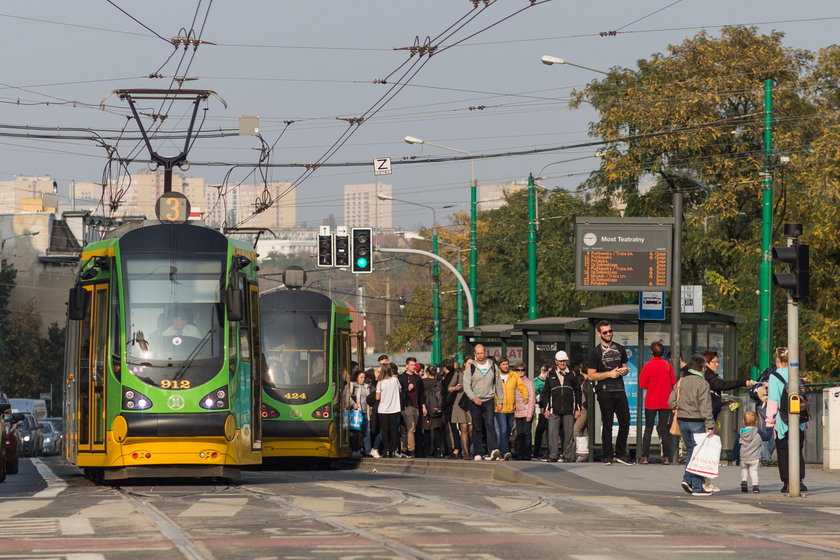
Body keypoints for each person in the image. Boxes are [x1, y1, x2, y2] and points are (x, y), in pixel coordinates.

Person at [669, 353, 715, 496]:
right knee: (698, 453)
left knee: (691, 450)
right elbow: (705, 407)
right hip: (697, 421)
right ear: (702, 369)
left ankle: (687, 479)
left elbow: (670, 401)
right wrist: (710, 425)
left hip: (682, 420)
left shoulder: (681, 381)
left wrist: (679, 407)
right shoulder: (703, 384)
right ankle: (696, 487)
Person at [587, 321, 632, 465]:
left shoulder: (619, 348)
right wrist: (609, 374)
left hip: (620, 389)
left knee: (625, 421)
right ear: (599, 334)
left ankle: (620, 453)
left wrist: (623, 371)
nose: (608, 334)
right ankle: (607, 455)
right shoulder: (595, 352)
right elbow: (591, 375)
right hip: (605, 391)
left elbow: (624, 366)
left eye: (610, 331)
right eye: (605, 332)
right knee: (607, 424)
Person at [766, 347, 807, 494]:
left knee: (783, 451)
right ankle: (800, 480)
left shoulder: (774, 376)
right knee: (797, 450)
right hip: (799, 421)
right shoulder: (796, 375)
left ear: (778, 360)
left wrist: (769, 421)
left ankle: (787, 482)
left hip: (782, 422)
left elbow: (773, 401)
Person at [463, 344, 504, 461]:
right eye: (478, 353)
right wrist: (473, 397)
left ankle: (493, 451)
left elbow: (498, 384)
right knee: (477, 427)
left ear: (485, 352)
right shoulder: (471, 368)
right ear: (475, 354)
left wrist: (500, 400)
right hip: (475, 400)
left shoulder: (493, 366)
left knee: (490, 425)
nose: (480, 355)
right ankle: (478, 452)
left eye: (482, 353)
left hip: (489, 399)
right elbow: (466, 386)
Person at [638, 341, 677, 465]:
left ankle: (644, 456)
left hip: (651, 401)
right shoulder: (667, 365)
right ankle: (666, 457)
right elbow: (673, 382)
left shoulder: (648, 365)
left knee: (648, 429)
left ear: (651, 352)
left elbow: (642, 384)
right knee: (664, 429)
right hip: (665, 401)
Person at [541, 351, 582, 463]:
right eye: (560, 361)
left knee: (568, 433)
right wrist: (546, 408)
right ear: (556, 362)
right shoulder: (551, 374)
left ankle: (567, 456)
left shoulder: (572, 374)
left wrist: (577, 408)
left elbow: (578, 391)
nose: (562, 363)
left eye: (564, 360)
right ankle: (553, 455)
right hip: (554, 409)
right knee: (552, 433)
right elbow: (546, 393)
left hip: (569, 409)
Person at [701, 350, 755, 420]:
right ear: (706, 363)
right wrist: (743, 383)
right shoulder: (708, 376)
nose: (717, 364)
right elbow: (723, 385)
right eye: (714, 362)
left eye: (718, 362)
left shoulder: (707, 374)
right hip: (707, 415)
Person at [496, 357, 529, 461]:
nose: (505, 366)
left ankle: (501, 451)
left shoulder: (513, 375)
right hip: (499, 408)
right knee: (503, 429)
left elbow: (521, 386)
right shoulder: (495, 376)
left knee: (508, 430)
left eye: (507, 364)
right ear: (499, 366)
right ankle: (506, 451)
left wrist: (525, 395)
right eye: (503, 364)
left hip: (511, 408)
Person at [398, 357, 426, 458]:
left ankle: (408, 448)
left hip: (416, 406)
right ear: (406, 366)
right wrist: (407, 389)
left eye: (414, 365)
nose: (413, 367)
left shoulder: (417, 378)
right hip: (407, 406)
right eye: (411, 365)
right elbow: (400, 393)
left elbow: (421, 393)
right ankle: (411, 449)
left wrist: (423, 406)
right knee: (411, 427)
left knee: (415, 428)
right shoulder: (401, 378)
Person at [738, 410, 770, 494]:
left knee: (744, 469)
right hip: (755, 457)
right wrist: (769, 429)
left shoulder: (741, 433)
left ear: (743, 421)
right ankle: (755, 487)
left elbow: (736, 445)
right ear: (756, 421)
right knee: (753, 471)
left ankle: (744, 482)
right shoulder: (758, 432)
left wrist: (734, 456)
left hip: (744, 457)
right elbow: (767, 437)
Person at [447, 359, 472, 460]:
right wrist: (455, 388)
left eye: (472, 363)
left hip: (472, 401)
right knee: (464, 428)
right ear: (465, 364)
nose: (470, 365)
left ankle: (469, 448)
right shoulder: (459, 373)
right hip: (460, 402)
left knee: (473, 429)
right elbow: (449, 387)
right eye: (469, 363)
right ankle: (466, 453)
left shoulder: (476, 373)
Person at [375, 364, 402, 458]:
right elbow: (400, 390)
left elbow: (377, 397)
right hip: (394, 408)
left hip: (383, 409)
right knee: (394, 430)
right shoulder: (395, 380)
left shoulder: (380, 382)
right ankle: (392, 450)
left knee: (385, 431)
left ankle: (386, 450)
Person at [512, 362, 535, 460]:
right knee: (520, 434)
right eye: (518, 370)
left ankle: (527, 454)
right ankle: (521, 453)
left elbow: (532, 398)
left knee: (527, 434)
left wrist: (530, 414)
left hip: (526, 411)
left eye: (522, 370)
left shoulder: (529, 382)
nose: (520, 372)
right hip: (517, 411)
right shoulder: (513, 381)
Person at [422, 366, 444, 457]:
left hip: (426, 408)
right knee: (437, 430)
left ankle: (426, 450)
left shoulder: (422, 382)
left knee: (426, 430)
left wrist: (423, 406)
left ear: (427, 373)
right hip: (436, 408)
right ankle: (438, 450)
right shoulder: (438, 383)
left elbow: (421, 395)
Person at [532, 362, 551, 460]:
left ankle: (548, 451)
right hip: (539, 408)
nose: (544, 373)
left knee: (549, 430)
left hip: (550, 408)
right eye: (543, 370)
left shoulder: (551, 380)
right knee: (539, 430)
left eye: (546, 371)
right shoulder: (535, 381)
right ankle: (536, 451)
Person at [350, 370, 371, 457]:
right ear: (356, 377)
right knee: (355, 431)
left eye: (364, 377)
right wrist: (353, 404)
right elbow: (347, 396)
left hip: (366, 411)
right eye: (361, 377)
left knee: (367, 431)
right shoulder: (352, 385)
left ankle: (367, 450)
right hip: (357, 411)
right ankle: (354, 449)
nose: (363, 379)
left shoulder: (366, 386)